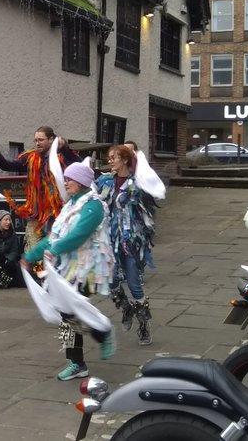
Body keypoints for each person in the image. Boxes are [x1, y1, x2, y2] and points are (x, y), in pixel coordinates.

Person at [24, 162, 115, 381]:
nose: (64, 183)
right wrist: (30, 256)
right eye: (64, 178)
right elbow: (54, 236)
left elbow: (79, 235)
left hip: (87, 268)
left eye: (69, 179)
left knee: (72, 311)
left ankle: (99, 335)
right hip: (67, 268)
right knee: (68, 314)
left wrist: (54, 249)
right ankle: (78, 359)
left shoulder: (93, 205)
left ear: (82, 181)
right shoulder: (71, 204)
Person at [96, 144, 157, 347]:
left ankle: (143, 325)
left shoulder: (137, 183)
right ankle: (126, 309)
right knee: (112, 282)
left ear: (124, 160)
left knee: (133, 283)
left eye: (114, 157)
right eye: (109, 158)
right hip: (109, 241)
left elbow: (153, 193)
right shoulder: (104, 180)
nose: (110, 161)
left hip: (131, 242)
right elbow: (85, 189)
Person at [0, 126, 81, 252]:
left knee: (54, 251)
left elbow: (79, 164)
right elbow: (8, 165)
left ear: (51, 139)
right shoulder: (30, 158)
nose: (37, 143)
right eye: (36, 140)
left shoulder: (62, 157)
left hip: (57, 214)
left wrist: (64, 147)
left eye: (41, 140)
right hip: (36, 215)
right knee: (34, 252)